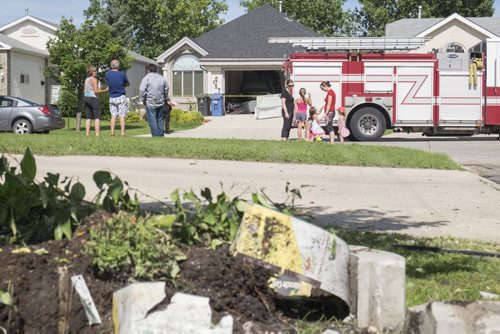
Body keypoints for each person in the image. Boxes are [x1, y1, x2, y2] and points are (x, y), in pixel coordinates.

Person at [139, 64, 170, 137]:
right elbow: (166, 88)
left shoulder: (146, 78)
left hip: (150, 102)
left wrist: (143, 99)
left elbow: (141, 90)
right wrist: (165, 97)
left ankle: (155, 136)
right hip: (161, 101)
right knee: (160, 119)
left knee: (152, 120)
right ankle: (161, 135)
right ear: (156, 70)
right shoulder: (162, 78)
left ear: (148, 70)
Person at [105, 59, 129, 136]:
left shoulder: (107, 74)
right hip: (120, 96)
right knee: (122, 115)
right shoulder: (122, 74)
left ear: (111, 65)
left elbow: (108, 83)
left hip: (112, 97)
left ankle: (112, 133)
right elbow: (127, 83)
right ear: (118, 65)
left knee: (113, 115)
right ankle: (122, 133)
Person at [83, 66, 108, 137]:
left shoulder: (86, 79)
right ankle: (97, 134)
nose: (96, 72)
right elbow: (96, 91)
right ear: (91, 72)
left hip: (86, 98)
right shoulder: (93, 80)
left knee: (88, 117)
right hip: (93, 99)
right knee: (97, 117)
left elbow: (84, 90)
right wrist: (105, 90)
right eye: (94, 71)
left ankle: (87, 134)